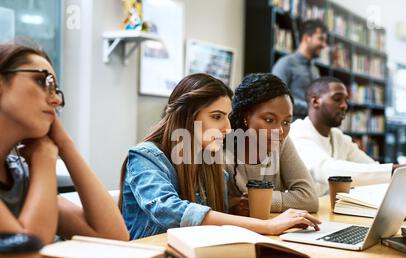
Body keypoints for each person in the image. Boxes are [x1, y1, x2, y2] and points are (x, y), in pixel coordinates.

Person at [119, 73, 321, 239]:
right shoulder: (145, 157)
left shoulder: (209, 161)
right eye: (217, 117)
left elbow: (215, 216)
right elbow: (171, 211)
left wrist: (236, 206)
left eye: (227, 116)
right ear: (186, 116)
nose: (227, 128)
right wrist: (267, 226)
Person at [0, 43, 129, 244]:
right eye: (42, 81)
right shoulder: (38, 165)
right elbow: (26, 255)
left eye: (56, 89)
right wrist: (44, 160)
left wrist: (65, 144)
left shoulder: (19, 176)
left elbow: (113, 236)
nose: (55, 101)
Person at [289, 77, 406, 196]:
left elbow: (371, 168)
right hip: (301, 216)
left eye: (346, 100)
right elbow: (328, 170)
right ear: (315, 101)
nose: (344, 105)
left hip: (327, 210)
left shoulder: (338, 137)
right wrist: (395, 171)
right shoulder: (298, 132)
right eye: (337, 99)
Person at [226, 73, 318, 215]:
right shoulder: (221, 148)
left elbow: (310, 199)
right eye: (269, 120)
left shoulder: (281, 143)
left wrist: (260, 200)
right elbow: (211, 204)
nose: (280, 130)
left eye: (286, 122)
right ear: (246, 116)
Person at [272, 19, 328, 121]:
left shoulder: (315, 70)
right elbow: (276, 97)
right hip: (291, 130)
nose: (324, 45)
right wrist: (311, 107)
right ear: (307, 38)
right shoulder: (285, 64)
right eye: (321, 39)